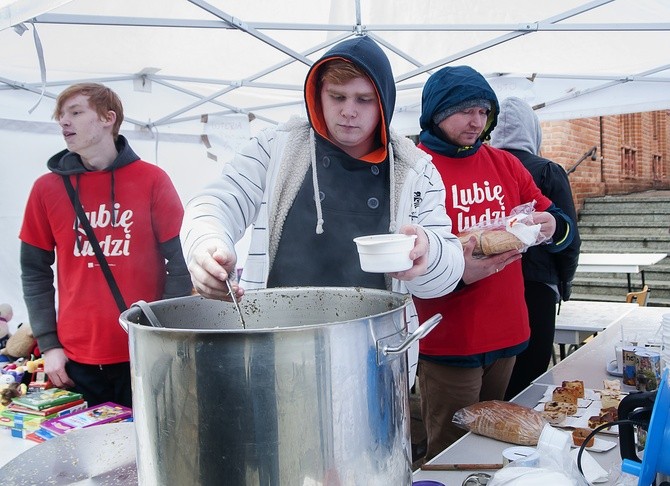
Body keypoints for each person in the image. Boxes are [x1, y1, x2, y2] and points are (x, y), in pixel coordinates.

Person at [180, 35, 465, 379]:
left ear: (384, 104)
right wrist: (206, 246)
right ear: (318, 94)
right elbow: (216, 201)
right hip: (273, 348)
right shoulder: (277, 149)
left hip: (374, 357)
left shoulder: (416, 170)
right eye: (337, 96)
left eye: (364, 99)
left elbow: (446, 272)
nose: (348, 111)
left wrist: (428, 254)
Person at [413, 66, 576, 459]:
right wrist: (458, 273)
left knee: (496, 446)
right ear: (437, 111)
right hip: (450, 342)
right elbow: (401, 263)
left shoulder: (505, 163)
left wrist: (552, 224)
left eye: (484, 112)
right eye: (465, 110)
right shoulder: (412, 169)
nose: (476, 122)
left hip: (507, 336)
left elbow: (559, 223)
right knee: (452, 452)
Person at [19, 83, 192, 408]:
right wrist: (48, 344)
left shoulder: (152, 180)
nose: (63, 122)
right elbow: (34, 271)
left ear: (108, 118)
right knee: (83, 456)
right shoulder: (47, 189)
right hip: (74, 361)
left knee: (147, 452)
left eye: (76, 112)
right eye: (61, 115)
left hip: (142, 354)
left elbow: (181, 264)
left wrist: (163, 333)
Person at [490, 96, 581, 400]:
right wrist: (564, 282)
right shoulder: (547, 171)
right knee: (529, 378)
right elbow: (568, 235)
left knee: (497, 376)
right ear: (533, 130)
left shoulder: (486, 168)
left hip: (491, 283)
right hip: (537, 286)